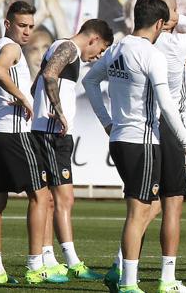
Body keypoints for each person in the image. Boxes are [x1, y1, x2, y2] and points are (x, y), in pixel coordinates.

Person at [91, 0, 186, 293]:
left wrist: (107, 122)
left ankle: (121, 266)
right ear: (163, 19)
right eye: (173, 10)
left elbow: (91, 80)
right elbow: (167, 103)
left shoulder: (120, 47)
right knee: (166, 206)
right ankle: (161, 279)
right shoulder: (171, 45)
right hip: (157, 131)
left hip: (125, 134)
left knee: (145, 206)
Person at [0, 0, 68, 285]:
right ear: (7, 24)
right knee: (41, 196)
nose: (27, 31)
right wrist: (23, 98)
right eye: (22, 25)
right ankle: (35, 266)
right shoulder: (10, 48)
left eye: (31, 26)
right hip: (15, 135)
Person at [30, 18, 113, 280]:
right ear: (94, 39)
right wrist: (57, 111)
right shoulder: (69, 48)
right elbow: (49, 74)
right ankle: (71, 261)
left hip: (49, 131)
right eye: (99, 51)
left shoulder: (61, 48)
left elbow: (36, 85)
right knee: (63, 198)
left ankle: (50, 258)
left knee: (52, 200)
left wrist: (39, 106)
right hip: (51, 133)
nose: (96, 57)